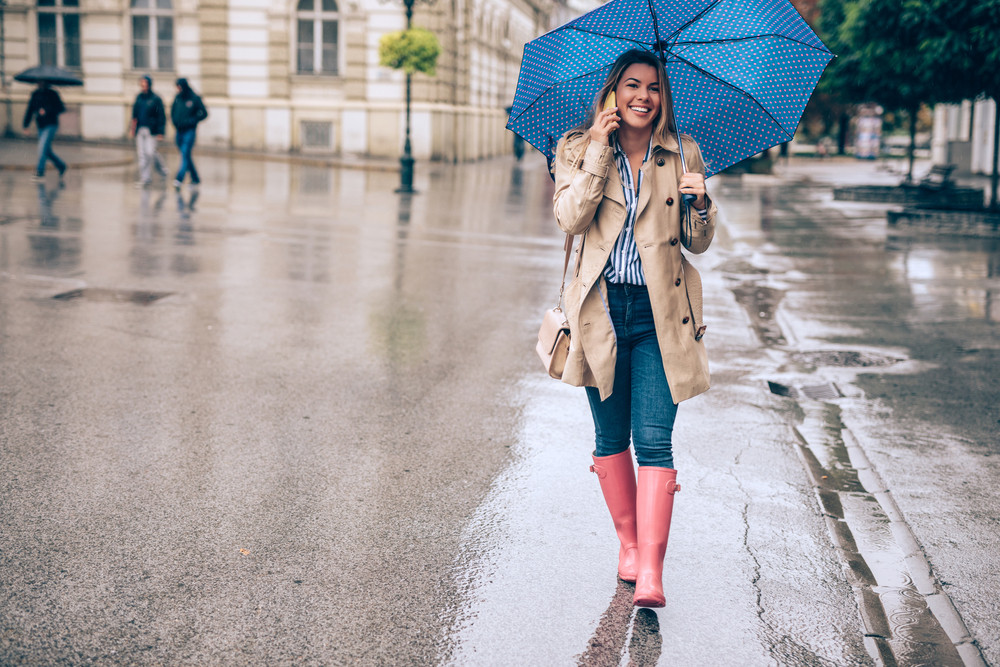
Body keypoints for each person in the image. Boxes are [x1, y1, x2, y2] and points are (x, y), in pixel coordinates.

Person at [552, 49, 719, 608]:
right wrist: (599, 152)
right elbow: (571, 219)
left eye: (652, 87)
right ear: (613, 90)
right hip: (601, 312)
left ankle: (650, 569)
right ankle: (627, 545)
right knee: (609, 438)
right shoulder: (576, 147)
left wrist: (701, 203)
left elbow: (696, 243)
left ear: (662, 96)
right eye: (631, 85)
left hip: (659, 316)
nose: (643, 96)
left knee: (654, 441)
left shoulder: (681, 150)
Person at [22, 83, 67, 181]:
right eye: (38, 81)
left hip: (51, 124)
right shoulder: (35, 94)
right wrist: (26, 125)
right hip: (41, 125)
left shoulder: (53, 94)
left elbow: (61, 108)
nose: (40, 83)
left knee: (42, 147)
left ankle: (40, 172)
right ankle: (61, 165)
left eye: (42, 81)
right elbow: (30, 109)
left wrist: (47, 110)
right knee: (46, 150)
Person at [130, 75, 168, 187]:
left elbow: (161, 116)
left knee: (150, 153)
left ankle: (162, 169)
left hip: (152, 130)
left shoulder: (156, 99)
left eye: (145, 84)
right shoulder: (139, 98)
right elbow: (134, 114)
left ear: (149, 85)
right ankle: (145, 178)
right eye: (141, 84)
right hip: (140, 129)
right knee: (142, 155)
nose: (143, 86)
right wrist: (133, 128)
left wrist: (161, 131)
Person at [170, 78, 208, 189]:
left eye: (179, 87)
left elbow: (204, 113)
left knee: (185, 152)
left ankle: (179, 179)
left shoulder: (194, 98)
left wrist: (193, 120)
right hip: (179, 130)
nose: (178, 89)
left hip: (189, 131)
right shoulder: (177, 97)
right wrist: (174, 121)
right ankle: (195, 178)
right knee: (185, 155)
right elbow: (173, 111)